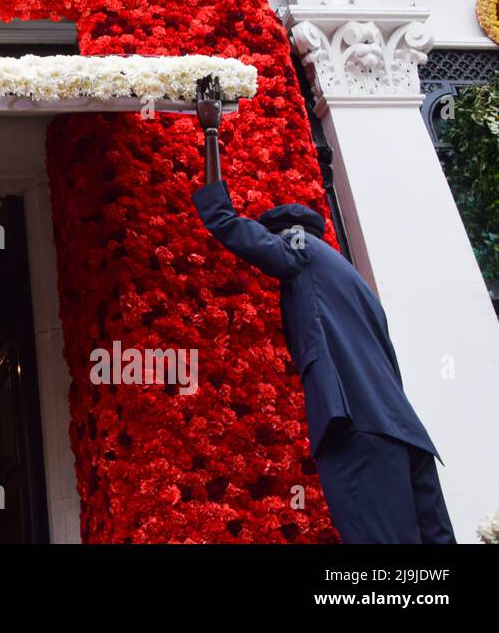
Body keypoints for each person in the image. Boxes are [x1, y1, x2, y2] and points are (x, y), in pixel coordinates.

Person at [190, 75, 454, 544]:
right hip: (405, 434)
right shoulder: (349, 277)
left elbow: (224, 221)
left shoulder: (299, 248)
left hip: (360, 430)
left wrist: (209, 131)